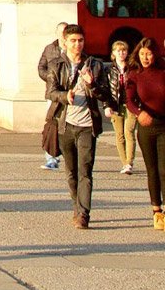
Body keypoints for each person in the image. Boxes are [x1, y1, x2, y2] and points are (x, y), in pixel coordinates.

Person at [45, 23, 110, 228]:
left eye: (80, 40)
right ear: (65, 42)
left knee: (85, 170)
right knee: (71, 171)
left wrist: (92, 84)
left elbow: (106, 94)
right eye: (73, 41)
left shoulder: (95, 65)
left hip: (87, 125)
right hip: (65, 124)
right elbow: (50, 92)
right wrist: (66, 96)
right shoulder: (57, 65)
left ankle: (83, 214)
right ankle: (76, 204)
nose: (77, 44)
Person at [125, 36, 165, 230]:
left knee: (164, 169)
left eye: (149, 54)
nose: (145, 58)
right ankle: (157, 211)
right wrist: (139, 113)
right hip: (146, 126)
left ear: (155, 54)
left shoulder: (163, 71)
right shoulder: (134, 74)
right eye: (142, 54)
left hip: (164, 124)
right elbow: (129, 100)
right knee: (152, 170)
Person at [38, 21, 68, 170]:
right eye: (61, 32)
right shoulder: (50, 49)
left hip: (70, 94)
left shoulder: (74, 48)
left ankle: (69, 156)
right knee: (51, 125)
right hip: (53, 93)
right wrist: (51, 78)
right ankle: (51, 158)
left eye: (66, 32)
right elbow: (41, 67)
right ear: (56, 33)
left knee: (68, 126)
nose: (63, 35)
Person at [105, 39, 137, 175]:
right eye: (118, 50)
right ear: (113, 53)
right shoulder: (108, 70)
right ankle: (124, 163)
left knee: (129, 132)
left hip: (130, 103)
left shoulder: (132, 68)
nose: (121, 53)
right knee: (119, 135)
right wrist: (107, 105)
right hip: (115, 104)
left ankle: (129, 163)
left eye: (123, 50)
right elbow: (105, 89)